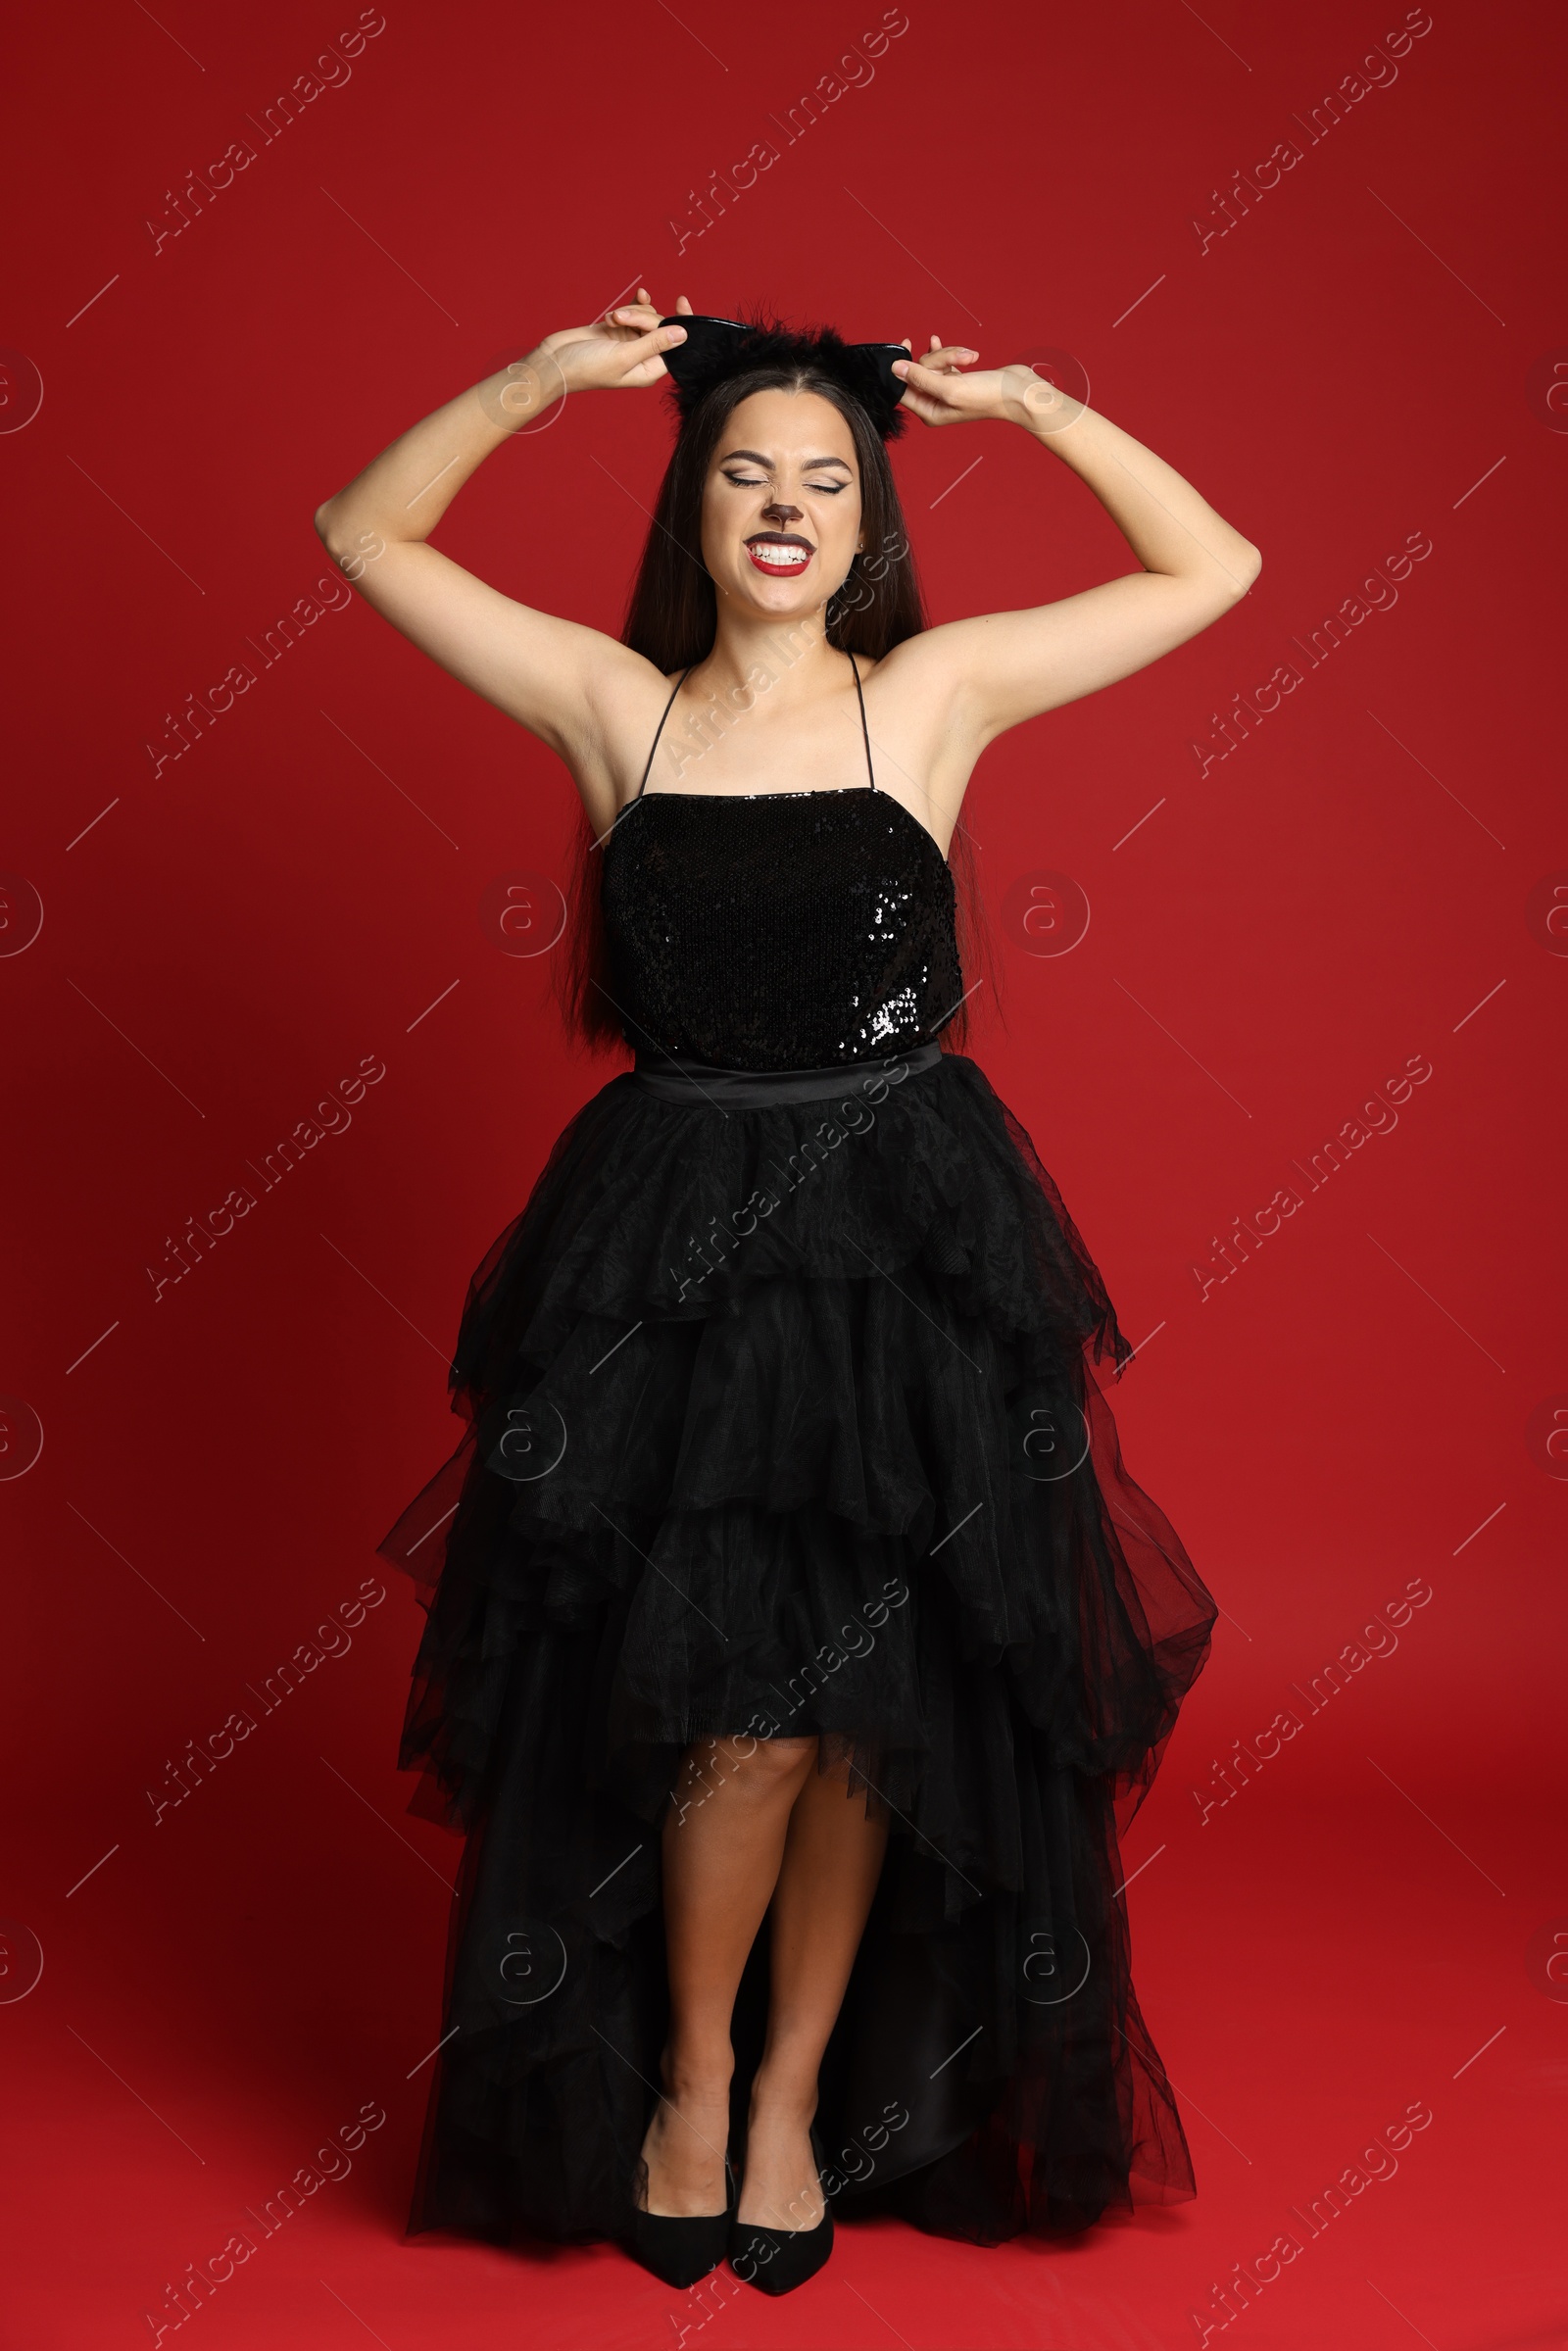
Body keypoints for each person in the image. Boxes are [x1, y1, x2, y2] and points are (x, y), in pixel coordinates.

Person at [314, 291, 1249, 2295]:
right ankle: (686, 2079)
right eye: (746, 469)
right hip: (671, 1248)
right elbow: (363, 537)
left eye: (824, 479)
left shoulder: (926, 697)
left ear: (864, 524)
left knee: (858, 1722)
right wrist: (530, 381)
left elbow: (1215, 567)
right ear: (693, 504)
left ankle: (781, 2104)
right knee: (731, 1720)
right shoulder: (610, 705)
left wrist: (1038, 406)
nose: (784, 503)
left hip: (897, 1229)